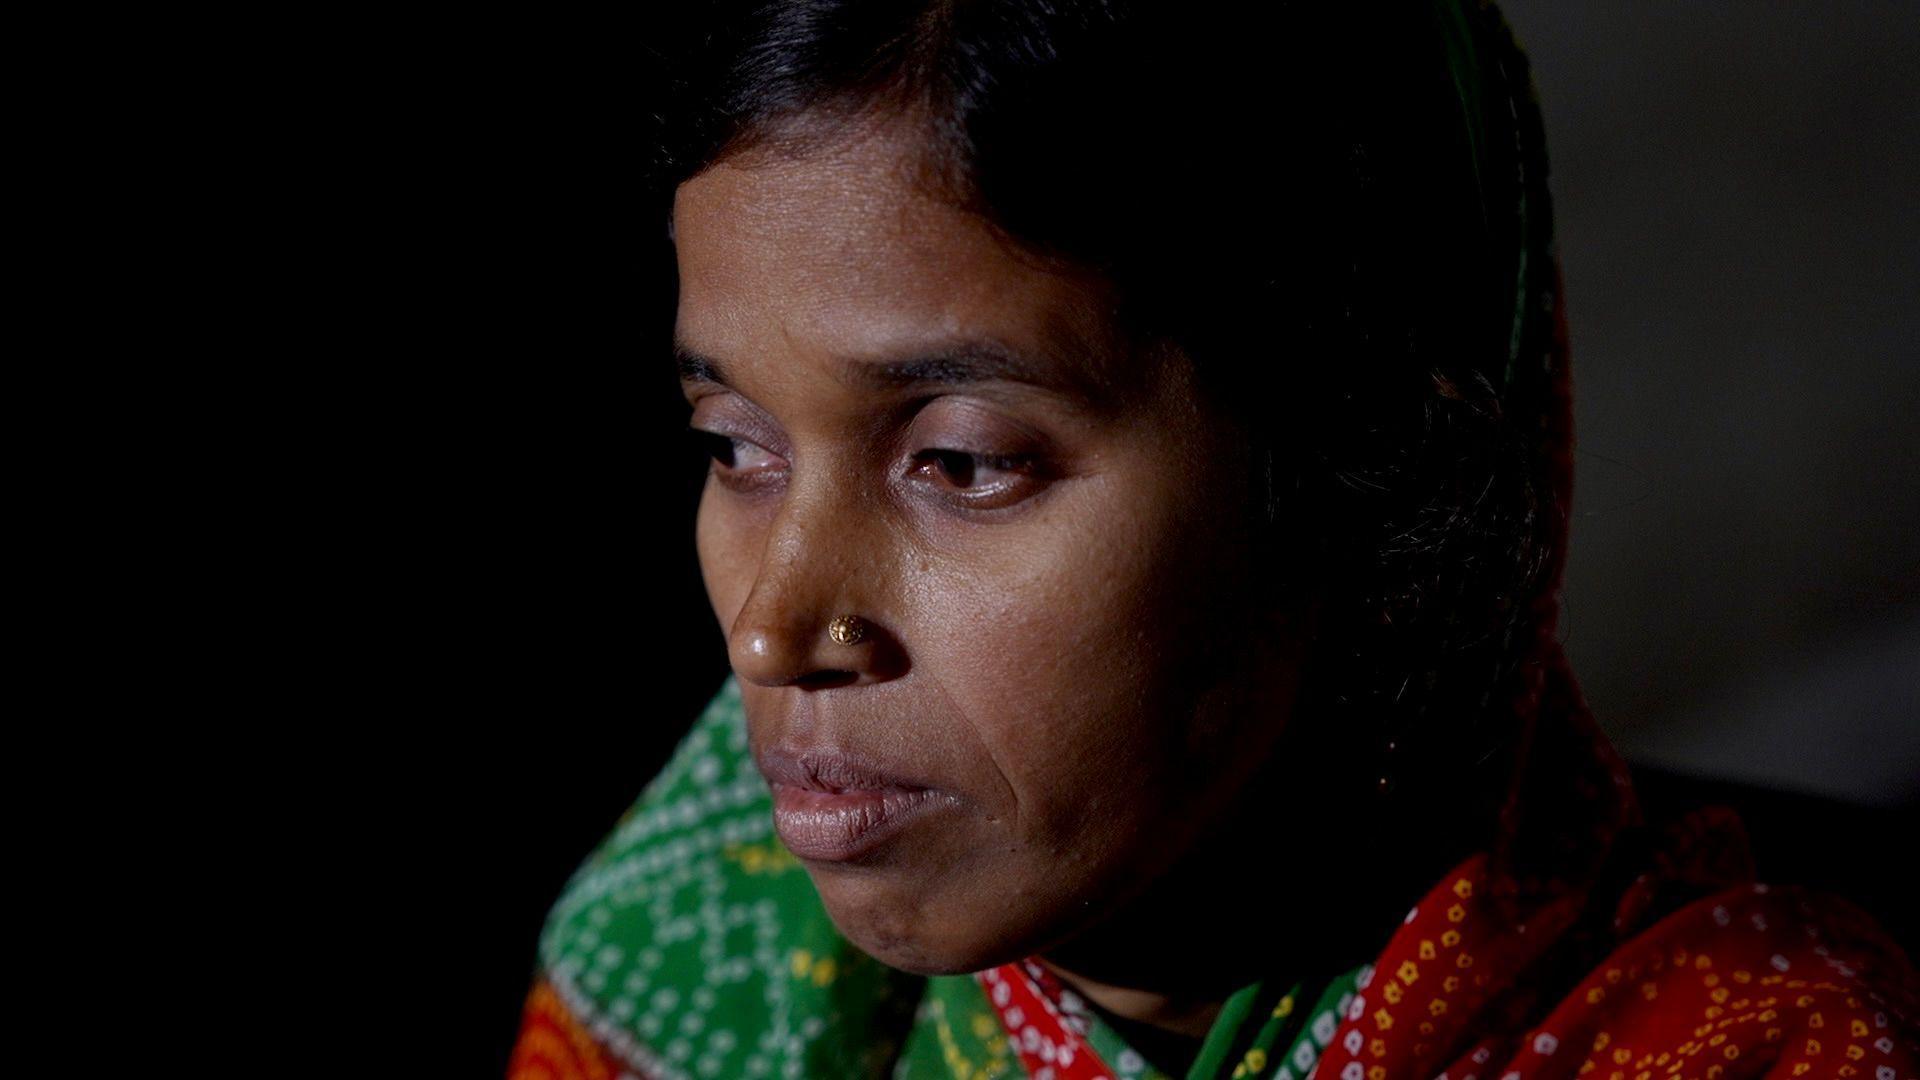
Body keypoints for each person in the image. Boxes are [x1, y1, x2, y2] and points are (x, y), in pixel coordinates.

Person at [508, 2, 1919, 1077]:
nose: (773, 624)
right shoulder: (702, 976)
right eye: (736, 449)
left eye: (961, 462)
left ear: (1365, 468)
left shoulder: (1745, 1042)